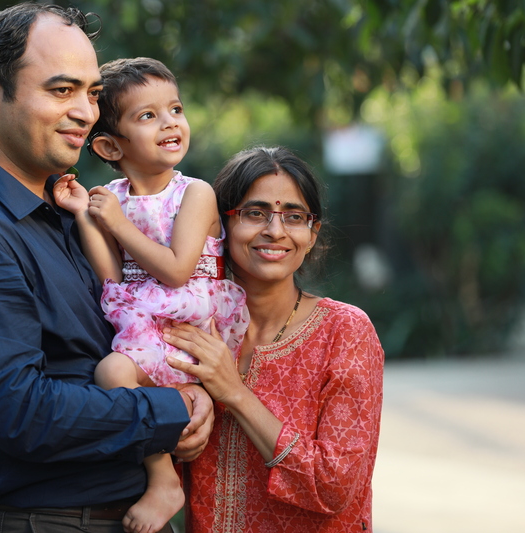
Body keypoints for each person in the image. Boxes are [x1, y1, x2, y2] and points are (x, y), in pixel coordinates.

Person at [0, 5, 213, 533]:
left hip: (125, 513)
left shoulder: (71, 210)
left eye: (91, 93)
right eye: (61, 91)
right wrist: (172, 411)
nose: (87, 112)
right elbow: (21, 412)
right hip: (49, 521)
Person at [53, 57, 248, 533]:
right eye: (148, 116)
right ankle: (163, 478)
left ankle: (167, 479)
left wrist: (117, 222)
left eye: (175, 109)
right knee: (112, 371)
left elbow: (178, 271)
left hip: (187, 321)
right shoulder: (112, 195)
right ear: (109, 145)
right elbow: (114, 278)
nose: (170, 123)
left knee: (117, 370)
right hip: (144, 320)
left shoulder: (195, 192)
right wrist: (87, 216)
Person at [163, 146, 385, 532]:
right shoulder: (191, 328)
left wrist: (235, 393)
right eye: (255, 213)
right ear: (221, 225)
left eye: (294, 217)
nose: (275, 230)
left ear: (312, 234)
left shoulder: (345, 333)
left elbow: (334, 487)